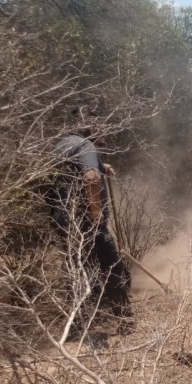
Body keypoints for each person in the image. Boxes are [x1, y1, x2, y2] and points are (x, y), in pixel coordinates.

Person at [49, 110, 132, 340]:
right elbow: (91, 179)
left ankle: (76, 328)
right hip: (88, 223)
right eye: (99, 130)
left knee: (78, 270)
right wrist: (96, 215)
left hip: (64, 222)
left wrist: (100, 164)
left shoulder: (61, 145)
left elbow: (69, 171)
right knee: (114, 267)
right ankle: (125, 321)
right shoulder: (86, 146)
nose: (102, 135)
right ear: (89, 130)